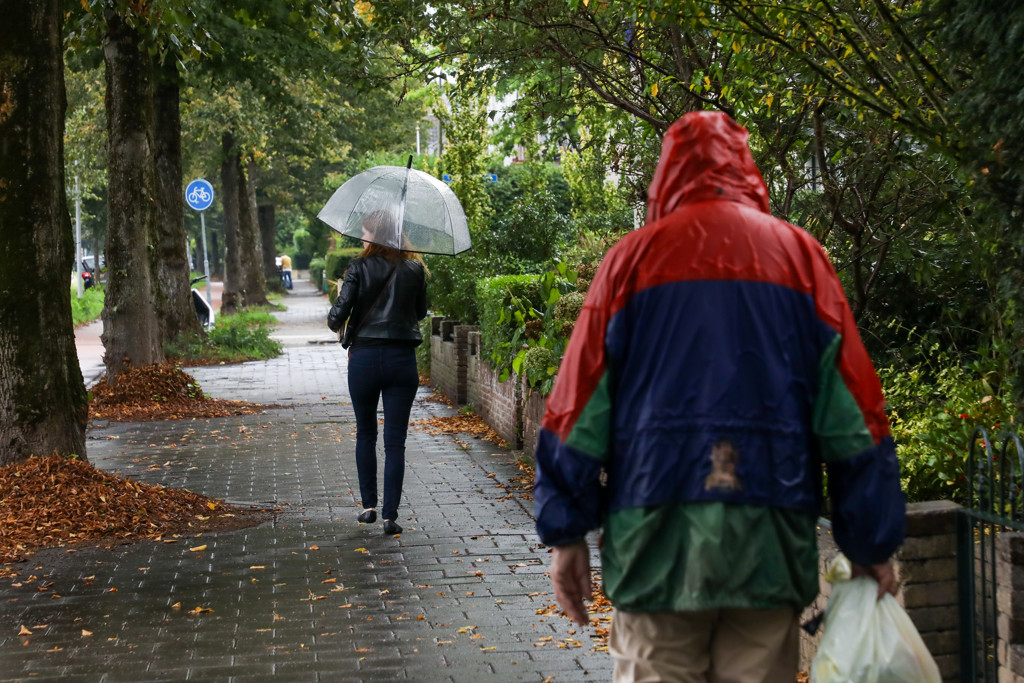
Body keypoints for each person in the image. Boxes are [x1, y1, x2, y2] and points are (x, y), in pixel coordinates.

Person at [533, 111, 905, 682]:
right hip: (768, 543)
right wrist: (871, 541)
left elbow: (576, 408)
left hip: (656, 544)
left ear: (666, 177)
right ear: (748, 171)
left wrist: (566, 534)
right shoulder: (802, 260)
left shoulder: (630, 263)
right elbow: (854, 416)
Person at [327, 209, 427, 535]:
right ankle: (389, 516)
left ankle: (368, 506)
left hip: (365, 360)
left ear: (378, 233)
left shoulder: (357, 268)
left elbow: (335, 319)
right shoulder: (415, 269)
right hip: (402, 360)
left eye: (366, 230)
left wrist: (344, 290)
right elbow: (421, 311)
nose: (362, 235)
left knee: (366, 432)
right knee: (395, 441)